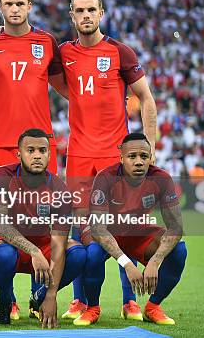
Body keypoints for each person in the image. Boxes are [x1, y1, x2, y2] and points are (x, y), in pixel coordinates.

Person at [0, 0, 68, 321]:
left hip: (42, 145)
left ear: (30, 5)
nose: (14, 9)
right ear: (0, 7)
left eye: (20, 3)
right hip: (1, 143)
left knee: (45, 219)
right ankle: (3, 298)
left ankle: (39, 294)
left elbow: (62, 86)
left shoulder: (47, 42)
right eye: (9, 4)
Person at [60, 0, 157, 322]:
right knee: (80, 227)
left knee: (120, 226)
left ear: (101, 13)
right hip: (79, 154)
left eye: (91, 10)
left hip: (115, 155)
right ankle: (80, 300)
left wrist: (149, 147)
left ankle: (129, 300)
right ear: (71, 16)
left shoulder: (120, 52)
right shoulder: (64, 53)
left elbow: (146, 98)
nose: (86, 16)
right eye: (79, 11)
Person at [78, 133, 186, 325]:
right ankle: (92, 307)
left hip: (135, 231)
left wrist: (155, 260)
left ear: (150, 158)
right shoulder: (105, 177)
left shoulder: (161, 178)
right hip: (105, 231)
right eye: (132, 156)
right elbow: (99, 229)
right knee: (93, 253)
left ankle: (153, 307)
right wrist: (127, 264)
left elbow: (176, 227)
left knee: (179, 250)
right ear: (121, 158)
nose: (138, 162)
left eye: (143, 156)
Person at [0, 129, 86, 327]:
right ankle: (5, 302)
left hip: (42, 245)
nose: (37, 155)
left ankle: (39, 296)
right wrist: (34, 251)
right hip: (8, 244)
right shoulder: (2, 175)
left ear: (50, 155)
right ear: (19, 154)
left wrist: (51, 295)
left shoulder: (59, 188)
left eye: (42, 150)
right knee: (4, 254)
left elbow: (59, 242)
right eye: (30, 150)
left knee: (78, 253)